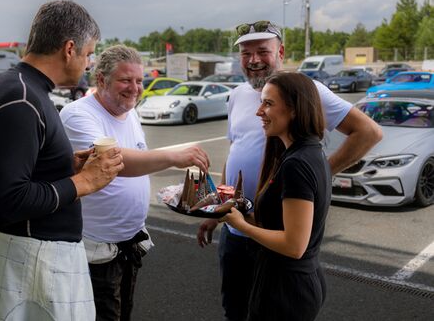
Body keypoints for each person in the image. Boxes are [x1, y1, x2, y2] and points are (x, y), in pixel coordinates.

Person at [196, 20, 382, 321]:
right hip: (237, 229)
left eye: (262, 51)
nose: (254, 60)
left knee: (272, 308)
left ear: (280, 51)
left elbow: (368, 132)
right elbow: (235, 155)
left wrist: (318, 177)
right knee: (235, 309)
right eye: (246, 53)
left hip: (275, 234)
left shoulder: (305, 91)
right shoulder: (237, 96)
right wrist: (217, 210)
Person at [0, 0, 124, 321]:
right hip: (36, 262)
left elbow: (24, 170)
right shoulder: (21, 98)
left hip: (34, 258)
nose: (88, 63)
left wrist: (66, 165)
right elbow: (5, 200)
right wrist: (83, 182)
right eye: (88, 53)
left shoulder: (22, 88)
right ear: (70, 48)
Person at [60, 44, 210, 321]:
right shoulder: (78, 114)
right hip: (95, 250)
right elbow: (114, 161)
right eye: (126, 80)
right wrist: (173, 156)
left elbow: (140, 158)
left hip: (128, 243)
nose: (135, 88)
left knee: (122, 312)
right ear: (102, 79)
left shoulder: (130, 113)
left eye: (139, 80)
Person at [223, 71, 331, 320]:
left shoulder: (297, 164)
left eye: (268, 103)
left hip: (286, 290)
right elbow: (279, 223)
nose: (259, 111)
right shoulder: (307, 152)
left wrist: (242, 226)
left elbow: (294, 245)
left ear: (294, 109)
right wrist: (241, 215)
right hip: (290, 281)